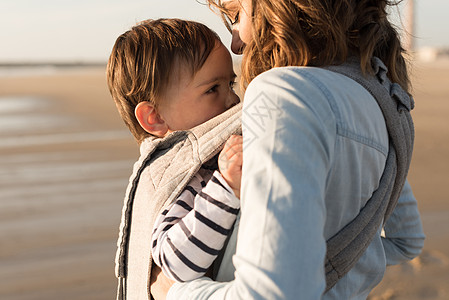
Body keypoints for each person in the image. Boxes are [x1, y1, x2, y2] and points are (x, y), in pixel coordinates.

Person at [150, 0, 425, 299]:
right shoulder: (383, 100)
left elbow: (271, 294)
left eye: (236, 15)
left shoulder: (281, 94)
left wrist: (175, 291)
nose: (236, 42)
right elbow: (405, 242)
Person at [106, 18, 243, 297]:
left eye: (230, 83)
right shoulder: (178, 174)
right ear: (154, 117)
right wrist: (226, 189)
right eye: (212, 89)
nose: (233, 100)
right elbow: (174, 263)